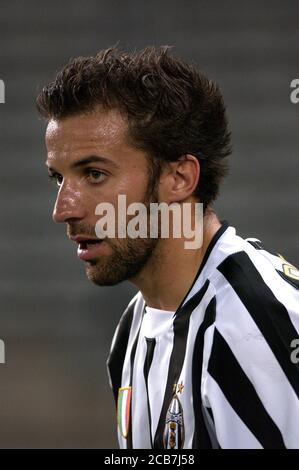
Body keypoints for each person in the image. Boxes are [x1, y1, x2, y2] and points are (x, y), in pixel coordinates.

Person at [36, 46, 299, 449]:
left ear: (179, 178)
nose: (62, 209)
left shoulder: (254, 328)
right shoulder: (134, 327)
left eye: (94, 173)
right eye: (59, 178)